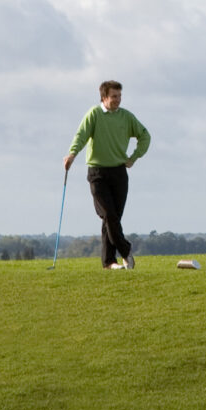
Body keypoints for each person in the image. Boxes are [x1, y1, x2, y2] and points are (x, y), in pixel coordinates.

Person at [65, 79, 151, 269]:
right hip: (98, 173)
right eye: (114, 96)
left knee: (111, 220)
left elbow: (145, 136)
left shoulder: (126, 117)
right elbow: (81, 135)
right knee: (109, 215)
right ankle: (126, 251)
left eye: (120, 96)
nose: (118, 100)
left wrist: (134, 157)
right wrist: (72, 154)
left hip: (119, 172)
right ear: (103, 97)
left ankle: (109, 262)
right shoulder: (94, 114)